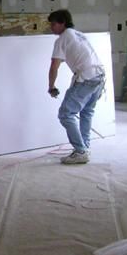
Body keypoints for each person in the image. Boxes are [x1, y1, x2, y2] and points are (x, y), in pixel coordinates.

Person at [47, 9, 105, 165]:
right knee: (86, 112)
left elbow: (54, 66)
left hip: (86, 78)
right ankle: (84, 148)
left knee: (66, 114)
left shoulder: (62, 39)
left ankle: (80, 151)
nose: (51, 27)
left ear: (62, 23)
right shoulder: (79, 35)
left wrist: (51, 86)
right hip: (99, 76)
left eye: (53, 24)